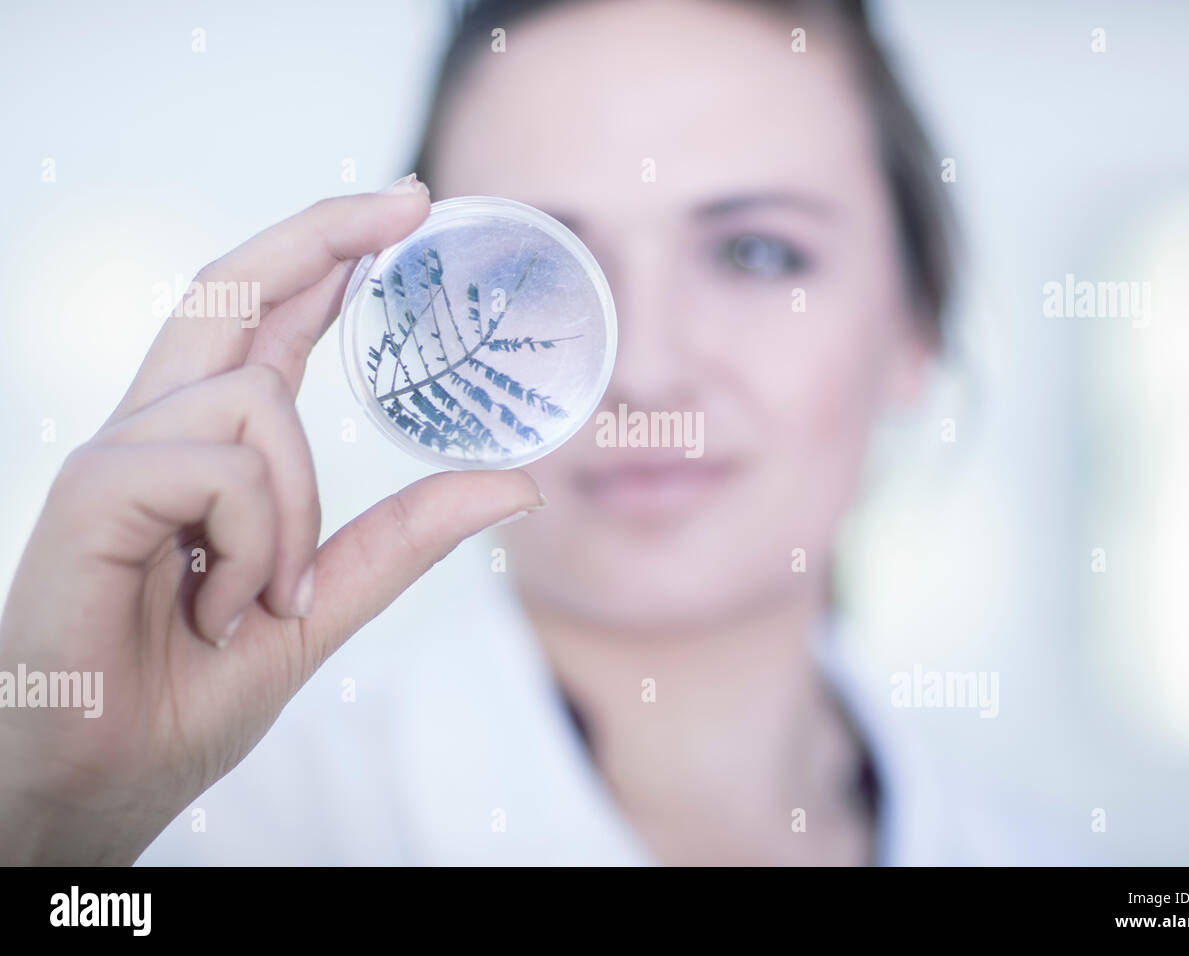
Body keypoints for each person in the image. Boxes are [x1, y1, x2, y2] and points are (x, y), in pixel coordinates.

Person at [1, 0, 1039, 865]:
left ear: (916, 324)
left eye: (757, 254)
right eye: (527, 272)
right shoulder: (209, 837)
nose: (642, 372)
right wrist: (48, 821)